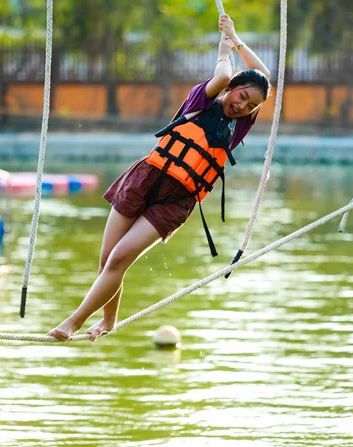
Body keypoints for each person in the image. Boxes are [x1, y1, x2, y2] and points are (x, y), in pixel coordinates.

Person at [48, 14, 271, 341]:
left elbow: (265, 77)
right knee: (107, 262)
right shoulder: (201, 99)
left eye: (251, 105)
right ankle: (108, 321)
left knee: (121, 257)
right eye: (242, 96)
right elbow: (224, 75)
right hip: (145, 178)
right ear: (233, 87)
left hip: (176, 201)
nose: (243, 106)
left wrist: (235, 39)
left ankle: (75, 321)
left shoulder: (240, 126)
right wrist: (224, 49)